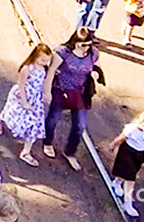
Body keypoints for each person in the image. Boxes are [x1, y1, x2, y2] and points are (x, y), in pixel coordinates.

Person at [41, 28, 102, 170]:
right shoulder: (63, 53)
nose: (86, 48)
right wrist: (47, 92)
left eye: (89, 44)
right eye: (83, 45)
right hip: (61, 89)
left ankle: (70, 151)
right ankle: (47, 142)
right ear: (76, 41)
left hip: (79, 93)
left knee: (80, 125)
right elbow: (50, 72)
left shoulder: (93, 54)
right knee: (53, 118)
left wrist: (95, 75)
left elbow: (98, 69)